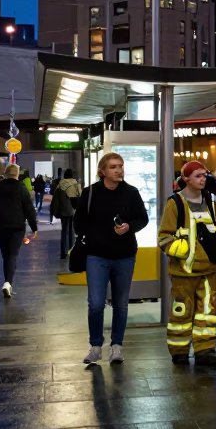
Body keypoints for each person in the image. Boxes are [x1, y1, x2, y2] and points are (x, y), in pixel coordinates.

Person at [74, 152, 149, 365]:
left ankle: (117, 346)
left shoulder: (131, 193)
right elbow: (78, 221)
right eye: (114, 167)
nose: (119, 170)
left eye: (121, 166)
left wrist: (129, 227)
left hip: (124, 256)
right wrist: (92, 236)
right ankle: (95, 346)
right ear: (102, 171)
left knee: (121, 304)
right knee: (96, 303)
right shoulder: (90, 193)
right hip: (97, 256)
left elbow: (143, 218)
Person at [158, 160, 216, 366]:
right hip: (183, 273)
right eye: (198, 175)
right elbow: (164, 238)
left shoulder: (212, 201)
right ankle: (179, 351)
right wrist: (187, 253)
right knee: (182, 312)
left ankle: (205, 350)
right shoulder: (175, 204)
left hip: (209, 271)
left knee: (208, 313)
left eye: (204, 175)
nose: (203, 179)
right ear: (186, 179)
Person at [0, 163, 37, 298]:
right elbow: (29, 209)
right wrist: (34, 227)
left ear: (6, 173)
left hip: (1, 226)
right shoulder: (21, 188)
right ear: (17, 174)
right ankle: (8, 283)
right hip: (17, 227)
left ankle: (7, 282)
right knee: (13, 255)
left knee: (6, 255)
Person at [51, 168, 82, 260]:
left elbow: (55, 200)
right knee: (72, 231)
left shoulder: (60, 185)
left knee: (64, 232)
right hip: (73, 211)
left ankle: (63, 252)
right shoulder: (76, 184)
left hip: (63, 212)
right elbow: (80, 198)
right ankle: (71, 251)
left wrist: (55, 211)